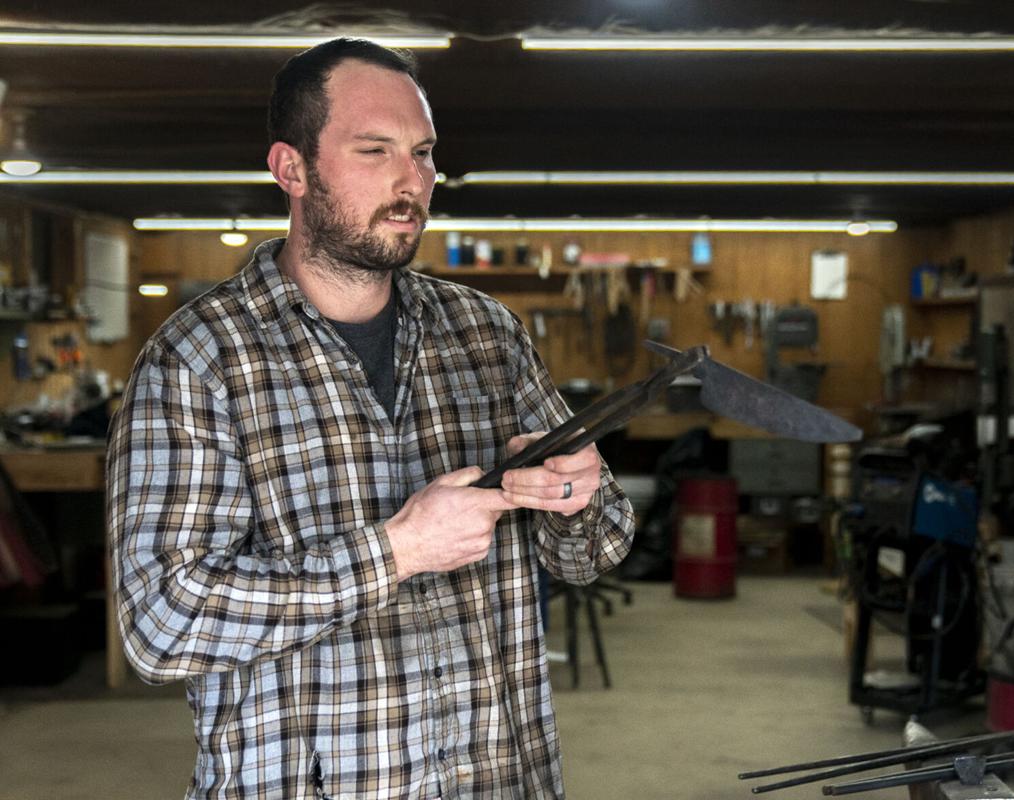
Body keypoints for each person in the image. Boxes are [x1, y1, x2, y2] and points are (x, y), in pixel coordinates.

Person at [107, 37, 634, 799]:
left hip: (498, 780)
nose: (411, 180)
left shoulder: (485, 334)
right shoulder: (198, 359)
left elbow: (598, 548)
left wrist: (573, 496)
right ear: (291, 169)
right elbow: (162, 624)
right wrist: (397, 550)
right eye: (374, 149)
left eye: (423, 153)